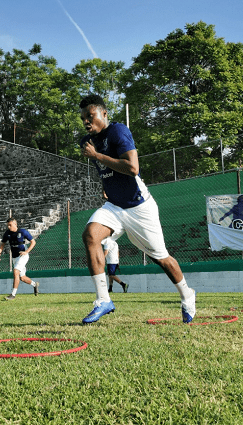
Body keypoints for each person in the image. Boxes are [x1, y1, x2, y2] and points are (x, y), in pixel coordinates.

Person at [79, 94, 196, 324]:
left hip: (139, 206)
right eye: (83, 118)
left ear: (104, 113)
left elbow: (132, 167)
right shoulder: (87, 142)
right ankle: (104, 300)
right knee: (90, 235)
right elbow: (105, 170)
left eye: (90, 116)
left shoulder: (118, 131)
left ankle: (187, 295)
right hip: (114, 206)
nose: (86, 121)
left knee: (162, 259)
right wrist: (106, 186)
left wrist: (97, 156)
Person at [0, 217, 40, 300]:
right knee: (22, 278)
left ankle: (13, 295)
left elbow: (33, 242)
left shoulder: (22, 231)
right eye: (7, 225)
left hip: (23, 256)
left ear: (15, 224)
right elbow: (3, 244)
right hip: (15, 257)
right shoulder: (7, 233)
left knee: (15, 271)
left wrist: (26, 251)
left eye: (10, 225)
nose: (8, 227)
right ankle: (35, 284)